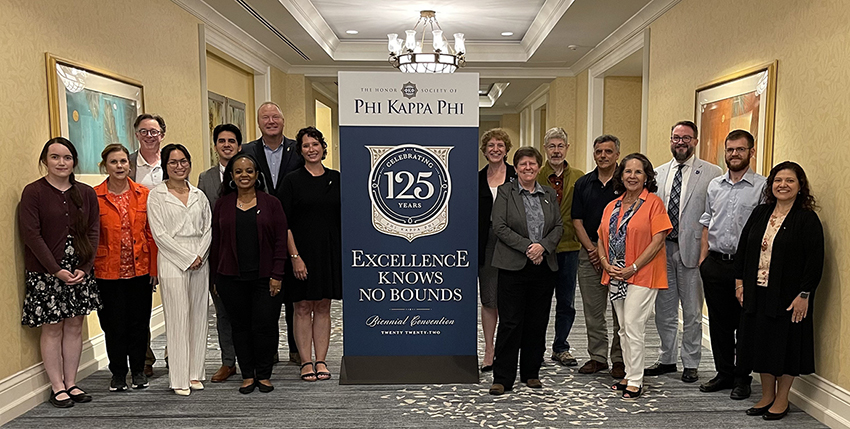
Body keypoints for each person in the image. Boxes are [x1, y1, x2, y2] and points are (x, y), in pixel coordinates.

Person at [734, 161, 823, 420]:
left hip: (789, 298)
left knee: (786, 347)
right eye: (778, 180)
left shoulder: (807, 219)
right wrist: (739, 284)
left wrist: (805, 294)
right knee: (760, 344)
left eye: (790, 181)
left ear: (800, 187)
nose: (783, 185)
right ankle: (766, 395)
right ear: (770, 185)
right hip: (757, 293)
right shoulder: (761, 213)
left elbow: (814, 261)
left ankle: (782, 398)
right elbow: (743, 250)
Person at [20, 138, 100, 407]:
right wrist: (56, 270)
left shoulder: (86, 193)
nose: (61, 162)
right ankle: (57, 387)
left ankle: (72, 382)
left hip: (79, 270)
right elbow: (31, 235)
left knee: (75, 326)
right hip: (46, 273)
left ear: (74, 161)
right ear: (45, 160)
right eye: (55, 157)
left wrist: (84, 268)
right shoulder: (33, 192)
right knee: (52, 329)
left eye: (66, 157)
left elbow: (93, 231)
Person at [647, 120, 721, 383]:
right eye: (676, 138)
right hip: (662, 250)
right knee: (664, 311)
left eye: (686, 138)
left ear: (695, 141)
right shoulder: (658, 173)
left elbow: (714, 214)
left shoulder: (712, 173)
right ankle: (666, 359)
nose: (680, 142)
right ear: (670, 140)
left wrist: (706, 250)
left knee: (691, 312)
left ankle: (691, 362)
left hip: (692, 251)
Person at [210, 152, 288, 394]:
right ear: (231, 176)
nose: (244, 175)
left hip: (265, 278)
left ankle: (263, 375)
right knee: (240, 327)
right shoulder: (222, 204)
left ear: (257, 175)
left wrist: (277, 274)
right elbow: (216, 242)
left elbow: (280, 241)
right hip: (230, 278)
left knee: (265, 326)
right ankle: (247, 375)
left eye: (249, 171)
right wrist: (214, 279)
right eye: (239, 171)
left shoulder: (271, 203)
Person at [488, 147, 563, 395]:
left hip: (543, 267)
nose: (528, 168)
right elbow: (499, 225)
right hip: (512, 265)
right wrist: (528, 247)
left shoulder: (549, 194)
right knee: (510, 322)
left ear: (538, 167)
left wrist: (543, 246)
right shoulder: (505, 192)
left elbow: (558, 227)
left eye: (532, 164)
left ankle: (531, 373)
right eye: (523, 164)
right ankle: (503, 377)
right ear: (516, 167)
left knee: (536, 322)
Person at [697, 130, 766, 399]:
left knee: (745, 324)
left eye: (740, 149)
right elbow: (706, 222)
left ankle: (742, 378)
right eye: (730, 150)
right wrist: (703, 261)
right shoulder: (714, 186)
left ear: (751, 151)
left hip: (745, 267)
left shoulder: (762, 187)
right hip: (715, 263)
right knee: (719, 323)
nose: (734, 154)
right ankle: (724, 373)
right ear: (724, 153)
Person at [599, 153, 672, 400]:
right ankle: (629, 374)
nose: (632, 176)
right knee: (622, 328)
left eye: (638, 172)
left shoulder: (653, 203)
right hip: (616, 274)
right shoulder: (612, 205)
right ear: (621, 175)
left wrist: (633, 266)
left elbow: (658, 239)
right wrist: (606, 264)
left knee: (633, 324)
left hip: (643, 272)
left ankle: (637, 380)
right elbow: (601, 238)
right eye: (628, 171)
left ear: (646, 176)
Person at [147, 144, 211, 396]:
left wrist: (200, 255)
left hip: (200, 258)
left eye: (183, 161)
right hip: (173, 260)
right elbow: (159, 234)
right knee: (177, 317)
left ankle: (195, 373)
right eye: (173, 162)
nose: (179, 166)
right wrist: (187, 257)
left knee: (198, 316)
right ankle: (179, 378)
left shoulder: (199, 194)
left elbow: (208, 229)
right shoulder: (156, 195)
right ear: (165, 165)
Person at [242, 101, 304, 365]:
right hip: (259, 233)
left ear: (283, 121)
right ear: (258, 123)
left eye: (275, 117)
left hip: (295, 229)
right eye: (265, 117)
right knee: (265, 297)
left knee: (294, 295)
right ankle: (269, 350)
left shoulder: (298, 149)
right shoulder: (247, 151)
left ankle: (295, 348)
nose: (271, 121)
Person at [93, 144, 159, 392]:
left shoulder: (143, 194)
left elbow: (151, 235)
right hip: (106, 272)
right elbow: (90, 235)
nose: (119, 166)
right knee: (113, 324)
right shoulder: (94, 196)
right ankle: (118, 372)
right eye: (114, 162)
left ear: (129, 165)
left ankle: (139, 370)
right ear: (105, 166)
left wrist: (153, 269)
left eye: (123, 162)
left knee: (139, 324)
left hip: (139, 271)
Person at [281, 127, 341, 382]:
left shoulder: (337, 178)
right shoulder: (291, 180)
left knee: (323, 306)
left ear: (323, 148)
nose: (312, 149)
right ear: (300, 150)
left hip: (328, 251)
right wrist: (295, 257)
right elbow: (283, 223)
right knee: (303, 306)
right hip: (300, 253)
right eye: (306, 145)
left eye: (315, 144)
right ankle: (306, 361)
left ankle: (321, 360)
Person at [571, 135, 624, 378]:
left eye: (608, 151)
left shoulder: (626, 182)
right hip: (589, 250)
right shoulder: (583, 183)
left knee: (620, 310)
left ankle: (619, 359)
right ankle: (597, 357)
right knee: (593, 310)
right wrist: (593, 252)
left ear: (617, 155)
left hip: (621, 253)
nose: (603, 155)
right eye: (599, 151)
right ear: (594, 154)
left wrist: (606, 254)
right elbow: (576, 221)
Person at [198, 124, 242, 383]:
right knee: (223, 312)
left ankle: (252, 360)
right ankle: (228, 362)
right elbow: (202, 217)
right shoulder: (206, 178)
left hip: (249, 254)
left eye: (232, 141)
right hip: (219, 255)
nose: (227, 145)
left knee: (247, 313)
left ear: (239, 145)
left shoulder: (250, 170)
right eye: (222, 141)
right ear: (215, 145)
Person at [536, 127, 583, 367]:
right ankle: (536, 348)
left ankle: (561, 347)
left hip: (569, 247)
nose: (556, 151)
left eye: (560, 146)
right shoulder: (535, 174)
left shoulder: (578, 176)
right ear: (545, 149)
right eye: (552, 146)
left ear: (567, 148)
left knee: (566, 301)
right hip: (542, 249)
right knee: (540, 301)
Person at [128, 113, 166, 377]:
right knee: (140, 305)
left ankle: (176, 355)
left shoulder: (173, 160)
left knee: (177, 300)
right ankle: (144, 358)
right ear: (136, 134)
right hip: (139, 241)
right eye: (144, 131)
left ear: (162, 133)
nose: (149, 136)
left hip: (172, 237)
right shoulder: (127, 163)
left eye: (154, 131)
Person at [477, 128, 516, 372]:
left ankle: (507, 349)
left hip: (512, 242)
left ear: (506, 149)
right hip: (486, 242)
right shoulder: (477, 178)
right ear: (484, 150)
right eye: (490, 145)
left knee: (511, 299)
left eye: (500, 145)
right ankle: (489, 350)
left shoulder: (516, 176)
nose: (495, 149)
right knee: (489, 298)